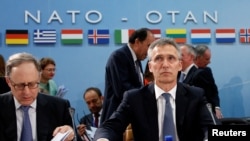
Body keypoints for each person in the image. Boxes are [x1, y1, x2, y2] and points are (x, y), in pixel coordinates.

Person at [94, 38, 215, 141]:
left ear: (179, 65)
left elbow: (210, 128)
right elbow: (109, 127)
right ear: (150, 67)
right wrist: (103, 139)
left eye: (171, 58)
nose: (165, 65)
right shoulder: (134, 98)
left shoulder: (195, 95)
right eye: (159, 59)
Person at [0, 52, 75, 141]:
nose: (26, 92)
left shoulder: (60, 107)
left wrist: (71, 134)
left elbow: (76, 138)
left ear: (39, 78)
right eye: (20, 85)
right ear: (8, 81)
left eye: (32, 84)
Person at [101, 28, 155, 124]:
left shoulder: (137, 60)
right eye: (149, 46)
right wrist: (149, 95)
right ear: (137, 42)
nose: (150, 52)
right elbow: (122, 90)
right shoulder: (119, 56)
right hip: (116, 117)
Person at [193, 44, 223, 119]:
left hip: (207, 112)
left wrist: (217, 107)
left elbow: (213, 90)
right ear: (198, 58)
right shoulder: (183, 71)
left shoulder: (207, 71)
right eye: (207, 59)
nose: (209, 62)